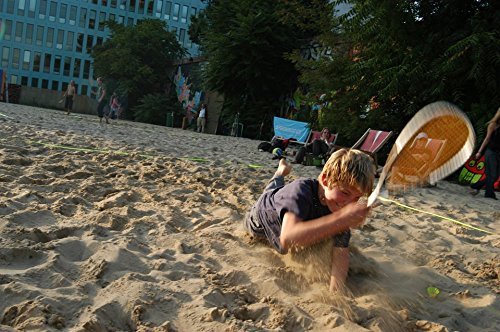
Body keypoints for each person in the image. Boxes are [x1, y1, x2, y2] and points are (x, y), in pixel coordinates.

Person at [244, 149, 375, 291]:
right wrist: (342, 219)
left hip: (287, 207)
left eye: (357, 198)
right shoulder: (300, 191)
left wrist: (336, 292)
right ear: (325, 180)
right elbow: (287, 239)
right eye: (345, 192)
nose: (349, 202)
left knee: (279, 190)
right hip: (260, 218)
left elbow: (340, 253)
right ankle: (280, 171)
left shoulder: (340, 210)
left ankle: (280, 174)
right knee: (272, 188)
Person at [470, 108, 500, 200]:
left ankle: (476, 185)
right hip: (491, 152)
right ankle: (489, 193)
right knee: (492, 174)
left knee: (496, 175)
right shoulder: (493, 125)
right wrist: (479, 152)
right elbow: (487, 139)